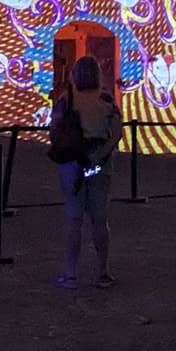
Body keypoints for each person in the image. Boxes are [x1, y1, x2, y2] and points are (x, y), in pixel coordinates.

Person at [51, 55, 122, 290]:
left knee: (74, 218)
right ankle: (103, 272)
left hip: (73, 161)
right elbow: (117, 134)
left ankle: (71, 275)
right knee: (101, 219)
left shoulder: (67, 99)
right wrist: (100, 155)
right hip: (100, 162)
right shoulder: (107, 99)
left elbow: (55, 130)